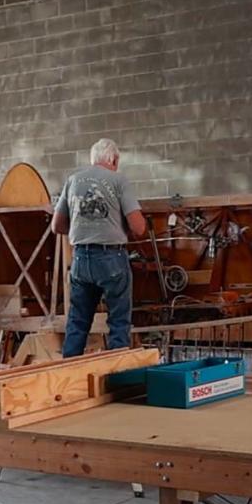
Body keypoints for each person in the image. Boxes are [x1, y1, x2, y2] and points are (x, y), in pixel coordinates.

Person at [52, 138, 146, 357]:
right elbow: (139, 227)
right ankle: (118, 377)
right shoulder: (118, 180)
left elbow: (56, 226)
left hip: (80, 259)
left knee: (77, 322)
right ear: (113, 159)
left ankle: (68, 375)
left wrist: (84, 229)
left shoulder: (73, 180)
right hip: (111, 258)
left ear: (93, 159)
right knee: (118, 321)